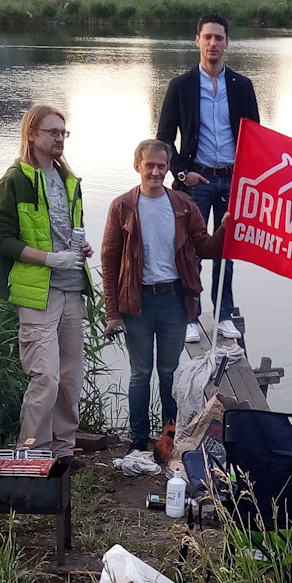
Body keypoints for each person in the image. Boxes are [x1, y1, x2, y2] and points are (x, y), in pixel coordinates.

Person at [100, 138, 228, 455]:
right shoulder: (122, 207)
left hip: (173, 301)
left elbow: (206, 248)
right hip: (136, 303)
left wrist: (226, 229)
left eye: (161, 166)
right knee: (141, 373)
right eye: (149, 166)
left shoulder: (184, 205)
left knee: (170, 374)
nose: (155, 172)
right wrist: (112, 313)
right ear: (137, 167)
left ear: (168, 168)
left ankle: (167, 439)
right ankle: (138, 441)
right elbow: (109, 260)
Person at [0, 103, 92, 461]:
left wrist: (80, 248)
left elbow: (64, 230)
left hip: (72, 288)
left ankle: (64, 452)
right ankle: (32, 454)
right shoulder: (14, 180)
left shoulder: (69, 179)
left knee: (70, 378)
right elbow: (1, 240)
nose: (59, 139)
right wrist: (49, 259)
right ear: (31, 134)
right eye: (52, 132)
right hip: (38, 293)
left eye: (63, 133)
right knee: (45, 377)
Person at [157, 12, 260, 342]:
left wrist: (252, 180)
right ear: (197, 41)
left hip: (233, 179)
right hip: (196, 179)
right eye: (208, 37)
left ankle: (224, 312)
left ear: (227, 43)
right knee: (192, 250)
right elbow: (163, 140)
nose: (213, 43)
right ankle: (191, 315)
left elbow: (257, 137)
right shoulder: (181, 86)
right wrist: (181, 173)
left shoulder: (242, 86)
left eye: (219, 37)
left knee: (228, 250)